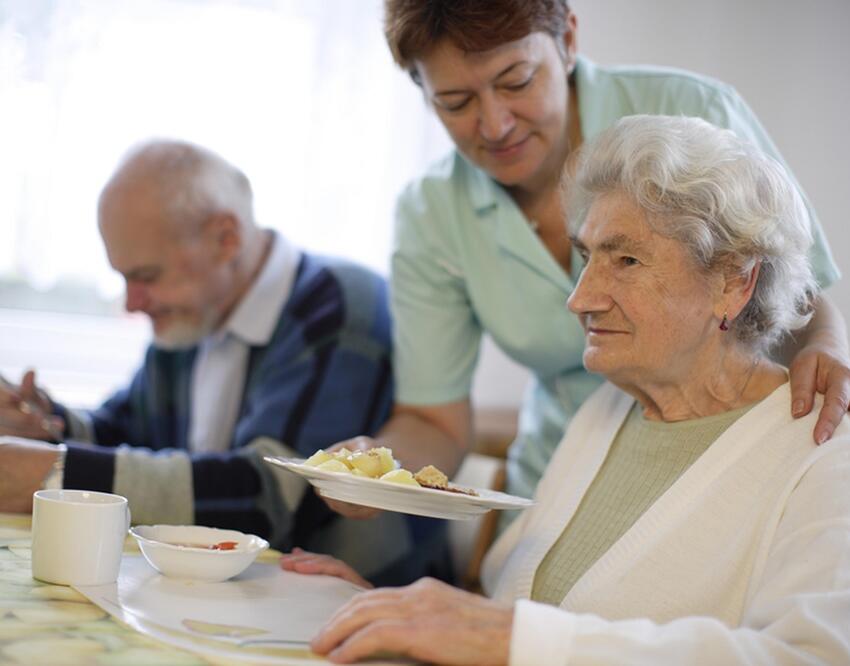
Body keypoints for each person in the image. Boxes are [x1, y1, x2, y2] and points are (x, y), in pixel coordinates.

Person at [282, 115, 850, 665]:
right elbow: (525, 622)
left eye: (625, 259)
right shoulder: (605, 411)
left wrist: (501, 638)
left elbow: (815, 656)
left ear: (734, 282)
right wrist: (393, 617)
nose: (580, 298)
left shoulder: (824, 454)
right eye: (586, 257)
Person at [325, 0, 850, 521]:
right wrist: (372, 472)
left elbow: (794, 288)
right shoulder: (432, 210)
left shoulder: (690, 112)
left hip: (716, 454)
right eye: (456, 102)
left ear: (569, 41)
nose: (495, 124)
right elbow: (435, 420)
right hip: (561, 476)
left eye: (516, 81)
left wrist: (828, 352)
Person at [0, 139, 448, 585]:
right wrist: (43, 423)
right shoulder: (195, 312)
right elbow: (123, 428)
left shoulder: (340, 308)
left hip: (360, 606)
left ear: (226, 239)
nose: (132, 302)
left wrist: (52, 472)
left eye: (146, 277)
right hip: (241, 600)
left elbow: (269, 499)